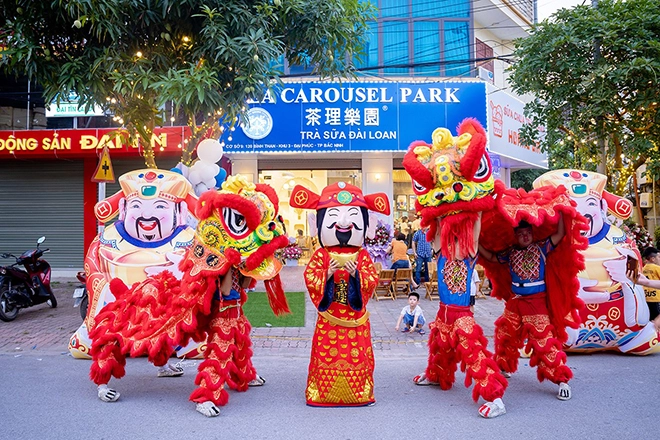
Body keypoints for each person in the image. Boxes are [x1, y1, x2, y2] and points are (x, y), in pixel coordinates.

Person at [289, 181, 390, 406]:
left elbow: (371, 280)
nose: (343, 222)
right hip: (330, 321)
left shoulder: (362, 255)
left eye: (352, 216)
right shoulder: (321, 255)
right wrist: (327, 274)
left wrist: (356, 276)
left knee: (357, 357)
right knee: (327, 356)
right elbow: (310, 278)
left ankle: (359, 394)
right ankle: (322, 394)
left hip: (355, 321)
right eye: (334, 215)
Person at [478, 214, 573, 401]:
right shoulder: (510, 252)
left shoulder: (542, 247)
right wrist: (477, 242)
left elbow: (561, 233)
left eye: (528, 232)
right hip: (515, 301)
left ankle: (562, 380)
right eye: (521, 234)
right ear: (515, 236)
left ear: (532, 233)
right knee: (505, 334)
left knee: (543, 340)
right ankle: (504, 366)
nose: (525, 236)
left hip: (536, 302)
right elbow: (490, 256)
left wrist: (562, 211)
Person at [642, 247, 660, 321]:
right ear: (653, 259)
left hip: (646, 299)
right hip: (657, 299)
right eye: (659, 257)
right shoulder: (657, 268)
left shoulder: (643, 269)